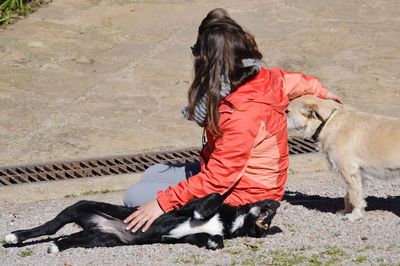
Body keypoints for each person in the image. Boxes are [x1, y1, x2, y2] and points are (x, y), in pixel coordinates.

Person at [123, 8, 341, 233]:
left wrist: (162, 203)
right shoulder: (262, 76)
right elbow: (297, 82)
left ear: (208, 61)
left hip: (248, 194)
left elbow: (219, 178)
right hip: (229, 173)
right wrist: (322, 92)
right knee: (152, 173)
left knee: (134, 197)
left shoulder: (242, 113)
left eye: (195, 51)